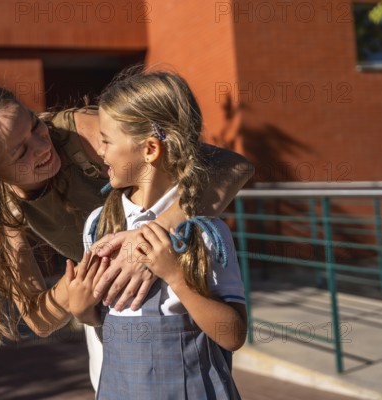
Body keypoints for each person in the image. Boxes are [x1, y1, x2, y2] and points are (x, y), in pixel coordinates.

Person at [0, 79, 252, 345]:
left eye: (35, 125)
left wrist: (147, 239)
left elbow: (231, 166)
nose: (43, 146)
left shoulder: (85, 136)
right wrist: (85, 284)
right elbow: (38, 319)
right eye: (21, 151)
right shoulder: (2, 212)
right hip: (113, 312)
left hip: (178, 293)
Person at [65, 70, 247, 399]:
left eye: (106, 140)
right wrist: (81, 309)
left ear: (149, 149)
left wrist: (176, 278)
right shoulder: (98, 225)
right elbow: (102, 319)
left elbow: (233, 335)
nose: (100, 152)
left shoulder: (206, 232)